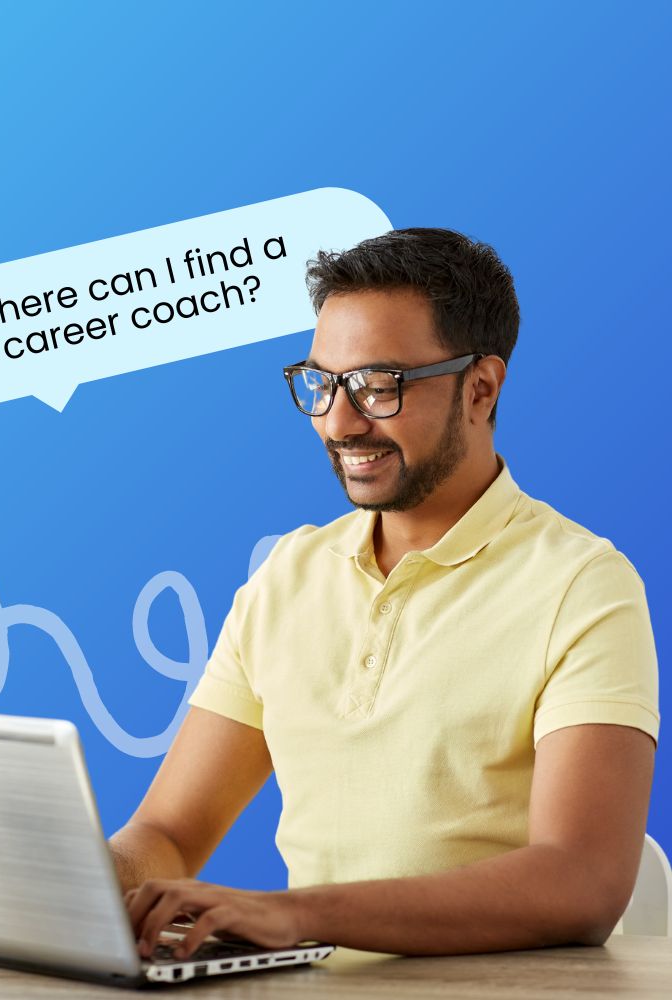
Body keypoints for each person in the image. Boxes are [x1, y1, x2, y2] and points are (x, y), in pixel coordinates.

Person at [108, 228, 660, 960]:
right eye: (323, 382)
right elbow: (170, 833)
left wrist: (297, 914)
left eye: (378, 385)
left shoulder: (583, 586)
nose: (338, 421)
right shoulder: (288, 575)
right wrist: (73, 882)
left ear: (482, 389)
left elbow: (582, 881)